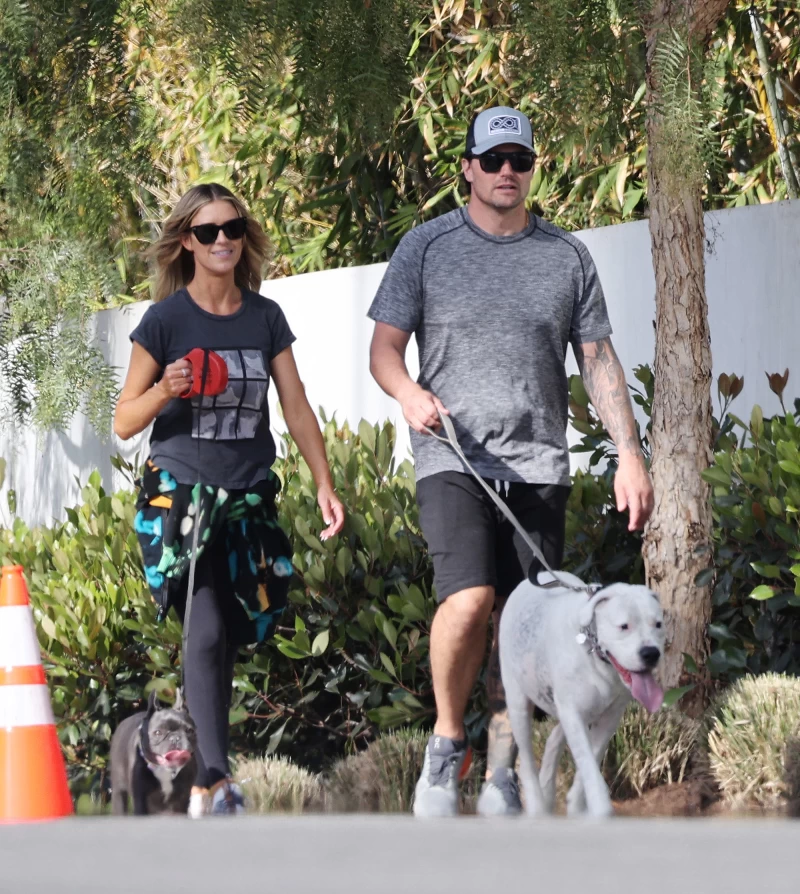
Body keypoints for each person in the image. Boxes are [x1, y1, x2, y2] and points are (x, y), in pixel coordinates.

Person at [367, 106, 654, 817]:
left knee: (522, 625)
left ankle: (502, 771)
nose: (505, 172)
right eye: (491, 160)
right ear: (467, 167)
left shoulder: (565, 257)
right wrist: (407, 394)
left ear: (531, 169)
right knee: (468, 603)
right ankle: (444, 743)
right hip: (452, 454)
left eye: (518, 161)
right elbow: (384, 350)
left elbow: (597, 357)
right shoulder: (427, 247)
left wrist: (629, 453)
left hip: (538, 465)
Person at [115, 183, 345, 817]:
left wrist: (324, 480)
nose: (224, 241)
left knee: (236, 633)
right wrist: (165, 388)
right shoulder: (164, 321)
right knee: (207, 630)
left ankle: (199, 781)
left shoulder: (263, 316)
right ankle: (215, 781)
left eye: (234, 229)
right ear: (187, 240)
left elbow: (294, 404)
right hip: (181, 496)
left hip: (247, 497)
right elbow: (124, 421)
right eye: (210, 231)